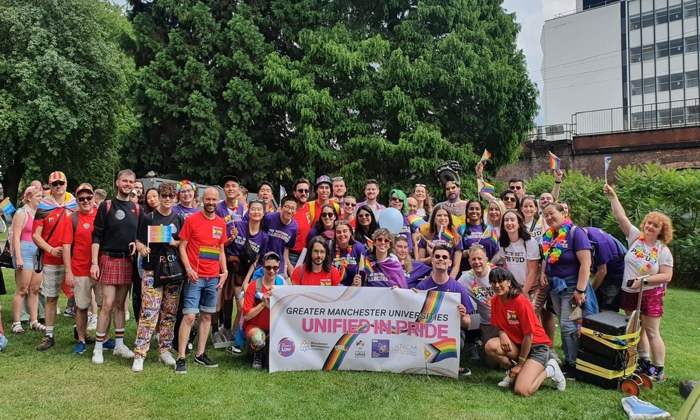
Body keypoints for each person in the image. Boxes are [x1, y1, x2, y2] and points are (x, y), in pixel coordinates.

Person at [604, 184, 674, 381]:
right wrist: (613, 197)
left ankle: (658, 369)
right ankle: (643, 362)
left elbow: (666, 276)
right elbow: (621, 217)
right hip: (629, 291)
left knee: (652, 331)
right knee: (636, 328)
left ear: (661, 230)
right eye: (649, 222)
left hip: (650, 294)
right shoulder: (635, 238)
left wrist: (643, 281)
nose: (650, 226)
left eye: (655, 225)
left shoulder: (663, 250)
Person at [484, 267, 566, 395]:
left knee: (522, 390)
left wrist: (520, 364)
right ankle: (513, 374)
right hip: (518, 345)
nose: (497, 285)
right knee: (490, 346)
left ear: (509, 282)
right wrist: (502, 333)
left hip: (536, 347)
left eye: (501, 281)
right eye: (493, 282)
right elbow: (498, 325)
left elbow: (529, 336)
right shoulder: (495, 300)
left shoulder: (520, 301)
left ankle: (550, 370)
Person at [131, 182, 184, 372]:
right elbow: (137, 239)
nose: (167, 199)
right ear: (159, 196)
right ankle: (140, 354)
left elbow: (183, 243)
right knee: (149, 312)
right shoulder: (148, 217)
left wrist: (173, 241)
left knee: (169, 313)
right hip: (151, 269)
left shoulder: (178, 218)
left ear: (175, 198)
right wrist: (141, 248)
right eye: (164, 196)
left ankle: (164, 350)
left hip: (172, 271)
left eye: (171, 196)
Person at [175, 187, 228, 373]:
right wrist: (188, 268)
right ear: (202, 200)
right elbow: (182, 246)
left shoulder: (221, 224)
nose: (211, 203)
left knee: (206, 316)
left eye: (214, 200)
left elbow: (220, 249)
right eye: (208, 199)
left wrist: (225, 271)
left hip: (213, 277)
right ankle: (181, 357)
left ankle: (200, 354)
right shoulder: (192, 220)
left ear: (218, 201)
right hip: (195, 277)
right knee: (189, 316)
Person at [91, 169, 141, 363]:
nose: (128, 184)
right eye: (125, 181)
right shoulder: (106, 206)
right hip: (109, 259)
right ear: (118, 183)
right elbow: (96, 236)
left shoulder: (136, 209)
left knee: (121, 305)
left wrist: (137, 244)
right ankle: (98, 347)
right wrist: (94, 262)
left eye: (131, 181)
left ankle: (119, 345)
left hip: (127, 261)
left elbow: (140, 236)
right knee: (107, 304)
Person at [541, 202, 597, 374]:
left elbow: (586, 264)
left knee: (568, 324)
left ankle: (572, 365)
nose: (549, 217)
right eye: (546, 215)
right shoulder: (550, 235)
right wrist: (543, 272)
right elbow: (547, 257)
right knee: (567, 322)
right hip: (556, 287)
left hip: (572, 288)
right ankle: (574, 358)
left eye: (552, 213)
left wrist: (580, 291)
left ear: (563, 213)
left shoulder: (575, 232)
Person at [33, 171, 77, 351]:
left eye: (61, 183)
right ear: (49, 186)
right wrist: (50, 249)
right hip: (52, 259)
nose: (58, 186)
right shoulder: (43, 206)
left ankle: (79, 332)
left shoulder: (76, 203)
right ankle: (49, 335)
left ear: (66, 184)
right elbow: (36, 235)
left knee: (78, 298)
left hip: (74, 259)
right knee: (51, 298)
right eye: (54, 184)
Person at [225, 200, 268, 353]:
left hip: (245, 274)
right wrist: (231, 237)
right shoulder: (238, 226)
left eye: (259, 210)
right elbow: (223, 244)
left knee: (242, 306)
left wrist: (247, 281)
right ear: (248, 211)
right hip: (230, 269)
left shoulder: (264, 237)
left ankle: (236, 339)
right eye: (253, 209)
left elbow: (257, 261)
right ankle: (231, 336)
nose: (256, 212)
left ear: (263, 213)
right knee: (226, 305)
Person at [61, 183, 99, 355]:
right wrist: (68, 271)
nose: (85, 201)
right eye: (81, 198)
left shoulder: (101, 215)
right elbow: (67, 246)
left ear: (93, 198)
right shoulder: (72, 218)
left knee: (104, 305)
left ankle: (103, 338)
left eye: (88, 197)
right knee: (81, 307)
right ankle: (81, 339)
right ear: (77, 200)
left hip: (100, 269)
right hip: (79, 269)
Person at [242, 252, 286, 369]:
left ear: (279, 267)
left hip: (274, 327)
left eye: (275, 268)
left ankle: (267, 353)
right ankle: (257, 353)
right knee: (258, 338)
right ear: (263, 267)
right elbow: (246, 316)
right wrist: (263, 304)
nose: (272, 271)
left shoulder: (282, 285)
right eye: (268, 267)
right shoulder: (253, 285)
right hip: (255, 327)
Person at [10, 186, 44, 334]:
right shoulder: (21, 213)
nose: (41, 199)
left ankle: (34, 320)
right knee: (22, 289)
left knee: (35, 289)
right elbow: (15, 237)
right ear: (29, 197)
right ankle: (16, 322)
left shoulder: (39, 213)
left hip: (37, 254)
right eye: (38, 196)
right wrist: (18, 257)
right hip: (24, 252)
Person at [493, 210, 540, 294]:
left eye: (512, 219)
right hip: (514, 287)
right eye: (506, 220)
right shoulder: (502, 243)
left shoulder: (529, 242)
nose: (509, 222)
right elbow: (506, 267)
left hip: (532, 288)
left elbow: (533, 271)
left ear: (519, 224)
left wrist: (523, 293)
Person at [582, 226, 626, 312]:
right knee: (596, 303)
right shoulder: (584, 233)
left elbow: (602, 271)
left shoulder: (599, 242)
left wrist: (590, 292)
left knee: (607, 306)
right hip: (605, 268)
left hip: (616, 273)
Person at [458, 245, 496, 344]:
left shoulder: (497, 273)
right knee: (490, 353)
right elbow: (451, 289)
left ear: (486, 259)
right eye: (473, 259)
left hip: (505, 320)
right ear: (469, 262)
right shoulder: (465, 279)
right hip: (487, 323)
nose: (477, 262)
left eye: (480, 258)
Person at [416, 205, 463, 279]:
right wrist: (432, 257)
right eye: (439, 215)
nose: (442, 218)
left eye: (445, 215)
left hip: (449, 277)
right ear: (434, 219)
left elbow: (456, 266)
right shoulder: (426, 237)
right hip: (429, 277)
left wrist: (449, 281)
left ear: (449, 218)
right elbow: (419, 261)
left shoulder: (456, 238)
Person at [262, 195, 298, 278]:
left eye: (292, 208)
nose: (289, 211)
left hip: (279, 265)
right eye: (287, 207)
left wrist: (285, 267)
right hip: (264, 261)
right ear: (281, 207)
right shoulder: (269, 218)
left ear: (296, 211)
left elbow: (286, 248)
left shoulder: (294, 227)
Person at [459, 200, 499, 271]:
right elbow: (455, 254)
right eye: (471, 209)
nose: (474, 211)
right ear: (467, 211)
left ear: (482, 212)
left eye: (477, 209)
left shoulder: (490, 229)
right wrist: (466, 253)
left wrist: (489, 267)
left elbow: (497, 253)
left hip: (487, 272)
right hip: (467, 272)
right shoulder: (461, 229)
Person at [332, 221, 367, 286]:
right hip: (334, 288)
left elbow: (363, 271)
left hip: (354, 288)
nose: (342, 234)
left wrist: (360, 282)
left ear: (350, 232)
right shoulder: (331, 248)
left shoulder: (359, 247)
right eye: (338, 232)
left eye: (345, 231)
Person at [289, 178, 312, 266]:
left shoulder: (311, 207)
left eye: (306, 191)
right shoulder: (289, 210)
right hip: (292, 256)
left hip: (308, 255)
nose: (304, 193)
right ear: (295, 193)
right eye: (300, 191)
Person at [388, 189, 413, 253]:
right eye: (394, 199)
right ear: (390, 201)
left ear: (403, 203)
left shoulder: (407, 218)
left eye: (400, 200)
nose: (397, 201)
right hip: (392, 254)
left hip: (407, 253)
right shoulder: (384, 217)